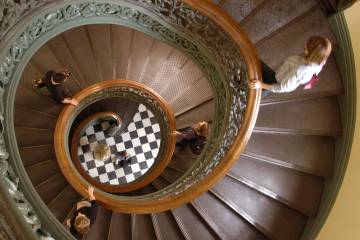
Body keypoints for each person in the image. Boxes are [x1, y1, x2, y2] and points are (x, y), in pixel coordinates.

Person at [250, 36, 332, 94]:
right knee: (255, 62)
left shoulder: (299, 70)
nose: (305, 45)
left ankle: (262, 91)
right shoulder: (320, 61)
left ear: (312, 55)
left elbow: (283, 88)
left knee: (254, 64)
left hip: (275, 80)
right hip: (280, 74)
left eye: (307, 48)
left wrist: (261, 85)